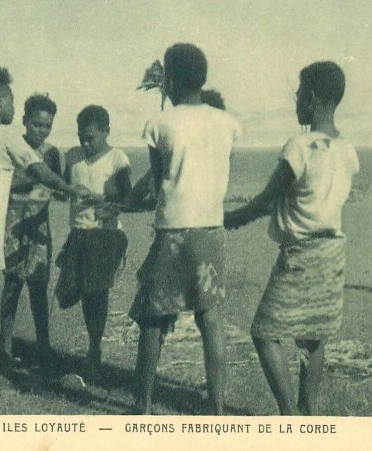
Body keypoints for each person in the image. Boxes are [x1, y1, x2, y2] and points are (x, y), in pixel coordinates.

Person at [0, 66, 93, 390]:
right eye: (10, 99)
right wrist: (72, 190)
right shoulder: (5, 135)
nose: (13, 105)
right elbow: (39, 171)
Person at [224, 61, 359, 415]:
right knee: (313, 336)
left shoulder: (299, 146)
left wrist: (231, 219)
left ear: (311, 98)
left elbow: (267, 200)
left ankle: (290, 415)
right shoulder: (348, 151)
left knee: (264, 332)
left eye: (298, 93)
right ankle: (308, 408)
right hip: (334, 251)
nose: (296, 100)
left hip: (301, 252)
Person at [128, 43, 243, 415]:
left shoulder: (159, 124)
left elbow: (160, 181)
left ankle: (142, 405)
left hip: (174, 230)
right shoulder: (228, 124)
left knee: (153, 317)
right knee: (210, 318)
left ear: (171, 80)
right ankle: (218, 408)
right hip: (211, 230)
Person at [57, 105, 131, 383]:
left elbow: (127, 198)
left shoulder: (117, 158)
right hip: (78, 234)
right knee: (68, 293)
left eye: (91, 138)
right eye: (81, 138)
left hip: (105, 236)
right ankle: (92, 344)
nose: (86, 144)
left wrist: (106, 206)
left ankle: (94, 348)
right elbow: (63, 189)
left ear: (106, 132)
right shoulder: (73, 157)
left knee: (96, 294)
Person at [0, 94, 62, 368]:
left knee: (38, 286)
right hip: (12, 226)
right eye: (37, 124)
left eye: (47, 126)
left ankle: (44, 345)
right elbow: (4, 184)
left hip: (39, 226)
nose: (42, 131)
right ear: (24, 121)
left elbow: (58, 187)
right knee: (11, 285)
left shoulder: (52, 153)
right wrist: (30, 177)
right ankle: (4, 345)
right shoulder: (12, 148)